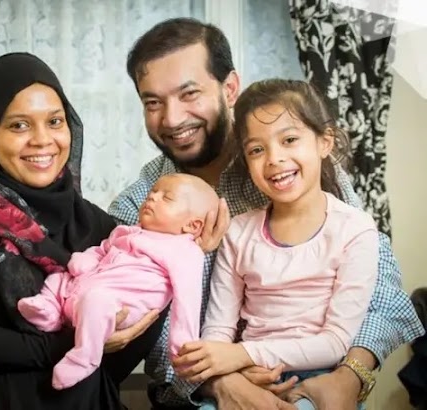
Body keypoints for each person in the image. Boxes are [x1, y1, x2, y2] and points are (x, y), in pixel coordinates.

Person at [108, 17, 425, 410]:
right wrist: (220, 383)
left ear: (229, 89)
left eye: (189, 94)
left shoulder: (296, 171)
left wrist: (349, 376)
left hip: (315, 382)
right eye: (153, 102)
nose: (172, 119)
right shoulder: (139, 206)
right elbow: (150, 332)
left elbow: (382, 289)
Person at [0, 52, 165, 410]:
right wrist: (70, 345)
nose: (43, 140)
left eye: (54, 121)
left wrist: (188, 248)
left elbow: (123, 342)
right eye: (19, 125)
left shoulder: (92, 223)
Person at [176, 79, 379, 410]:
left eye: (289, 140)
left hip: (320, 381)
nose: (274, 158)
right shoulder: (238, 232)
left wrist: (240, 353)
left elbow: (336, 342)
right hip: (247, 374)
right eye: (257, 149)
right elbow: (218, 328)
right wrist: (233, 373)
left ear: (324, 142)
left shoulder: (356, 230)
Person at [18, 173, 218, 390]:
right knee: (59, 277)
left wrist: (183, 346)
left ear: (192, 225)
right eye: (152, 193)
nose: (152, 198)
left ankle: (84, 358)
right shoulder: (128, 230)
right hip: (88, 288)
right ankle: (49, 311)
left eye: (166, 198)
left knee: (96, 301)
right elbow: (103, 249)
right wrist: (84, 261)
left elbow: (187, 297)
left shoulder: (184, 252)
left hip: (120, 304)